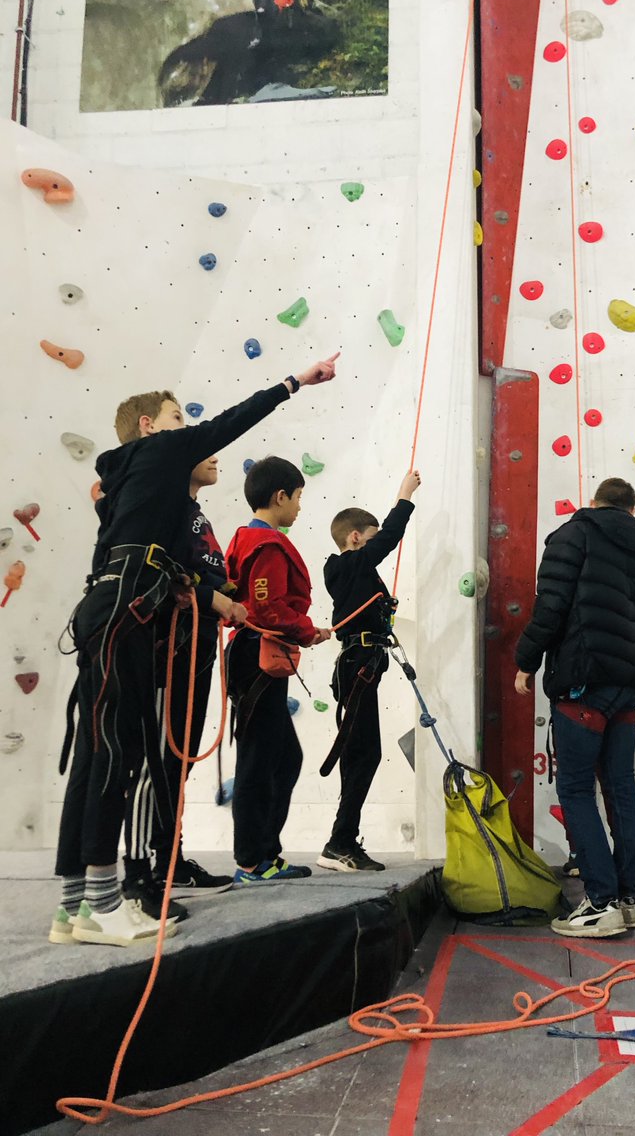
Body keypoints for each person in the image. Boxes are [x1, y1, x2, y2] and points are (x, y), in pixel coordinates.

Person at [51, 355, 339, 948]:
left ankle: (76, 905)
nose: (189, 431)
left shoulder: (137, 486)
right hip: (127, 612)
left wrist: (197, 592)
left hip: (113, 605)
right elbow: (231, 422)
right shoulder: (160, 453)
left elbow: (120, 547)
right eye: (178, 418)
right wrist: (294, 382)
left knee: (98, 752)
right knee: (118, 753)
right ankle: (103, 902)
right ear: (151, 427)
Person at [514, 478, 635, 938]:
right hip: (626, 687)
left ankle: (601, 902)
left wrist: (526, 661)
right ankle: (626, 899)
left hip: (583, 683)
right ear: (632, 511)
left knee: (576, 789)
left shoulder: (572, 536)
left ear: (594, 503)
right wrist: (625, 655)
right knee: (621, 788)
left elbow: (551, 607)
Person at [123, 455, 244, 913]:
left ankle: (167, 859)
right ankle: (142, 872)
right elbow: (162, 571)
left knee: (178, 760)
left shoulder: (193, 512)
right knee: (156, 760)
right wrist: (211, 596)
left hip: (196, 642)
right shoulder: (164, 505)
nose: (214, 454)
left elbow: (197, 569)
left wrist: (223, 597)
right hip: (170, 644)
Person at [225, 457, 330, 885]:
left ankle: (265, 853)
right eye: (299, 497)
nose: (300, 506)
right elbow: (267, 607)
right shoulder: (265, 544)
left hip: (255, 655)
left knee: (283, 757)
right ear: (280, 496)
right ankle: (253, 860)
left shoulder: (246, 539)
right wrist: (307, 630)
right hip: (257, 657)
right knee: (260, 759)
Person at [317, 470, 421, 873]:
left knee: (360, 753)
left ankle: (342, 838)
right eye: (370, 537)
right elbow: (389, 538)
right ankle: (340, 841)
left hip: (363, 664)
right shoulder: (347, 566)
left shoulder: (356, 571)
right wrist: (404, 496)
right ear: (356, 537)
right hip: (357, 665)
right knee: (364, 753)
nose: (376, 544)